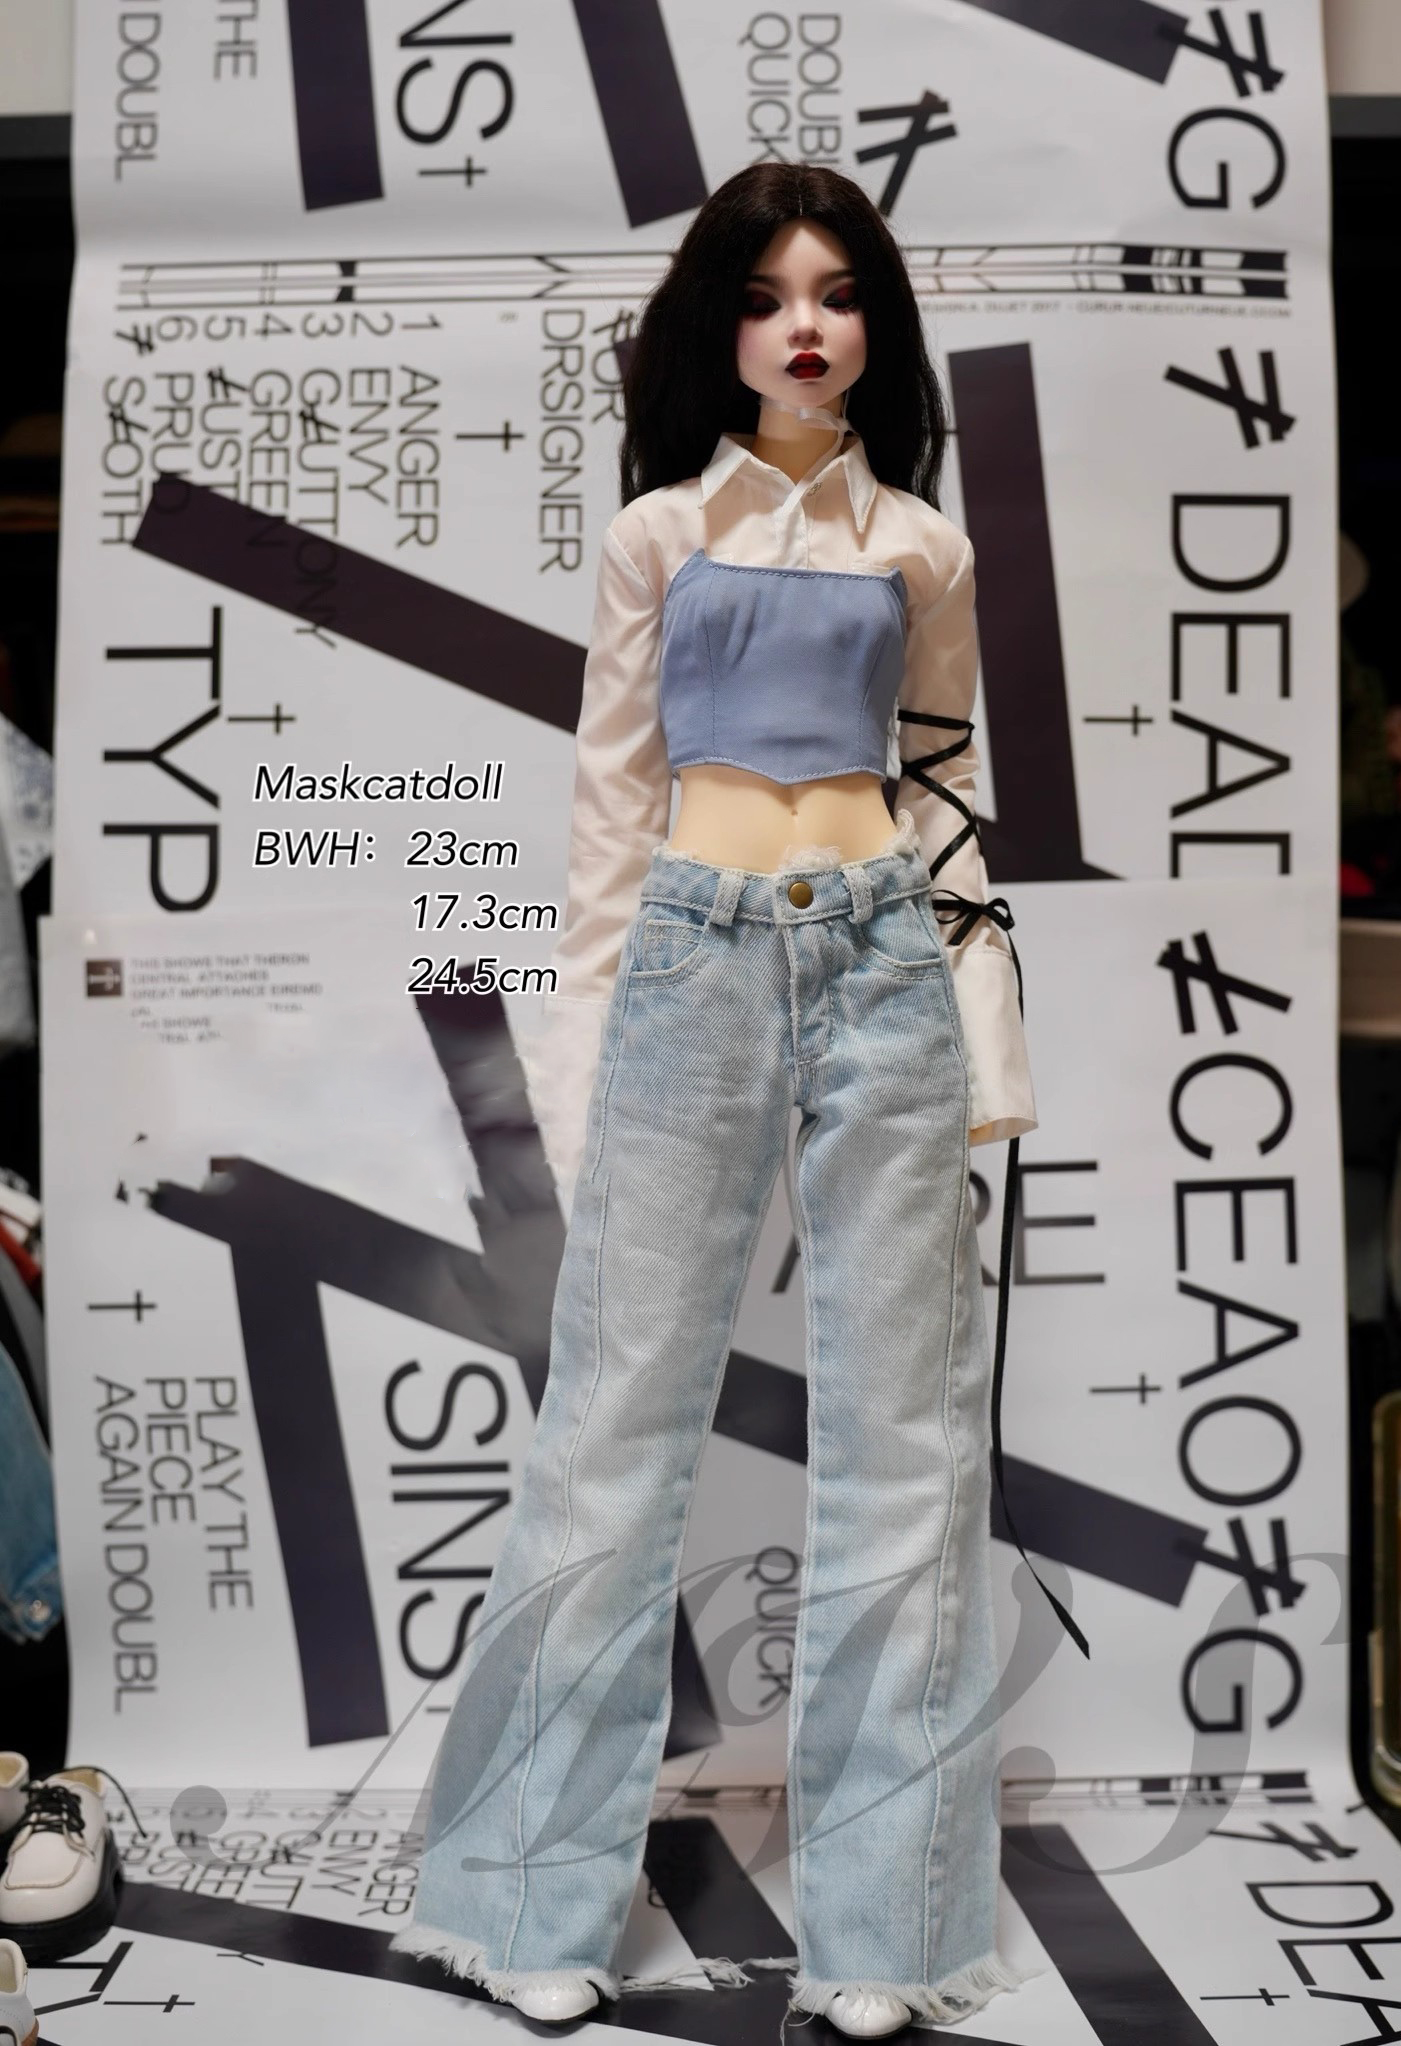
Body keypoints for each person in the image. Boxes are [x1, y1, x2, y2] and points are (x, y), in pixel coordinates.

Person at [391, 161, 1062, 2038]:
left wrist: (984, 1035)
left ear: (873, 327)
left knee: (906, 1442)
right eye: (766, 297)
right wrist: (586, 1071)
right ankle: (528, 1894)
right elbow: (612, 805)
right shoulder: (657, 535)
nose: (802, 326)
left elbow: (943, 790)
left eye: (834, 294)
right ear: (722, 327)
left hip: (881, 957)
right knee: (611, 1428)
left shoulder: (919, 548)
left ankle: (886, 1928)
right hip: (691, 950)